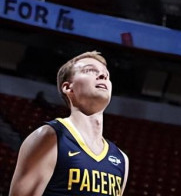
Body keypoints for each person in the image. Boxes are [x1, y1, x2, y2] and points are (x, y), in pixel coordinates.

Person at [9, 51, 129, 196]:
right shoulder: (50, 137)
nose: (103, 76)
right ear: (68, 87)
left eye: (106, 74)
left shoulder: (121, 158)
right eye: (90, 70)